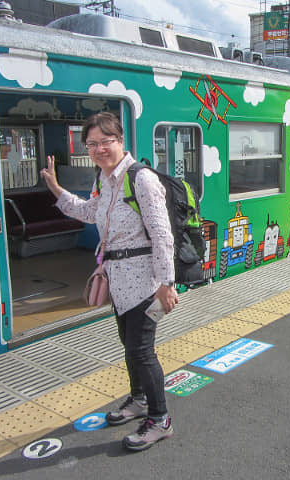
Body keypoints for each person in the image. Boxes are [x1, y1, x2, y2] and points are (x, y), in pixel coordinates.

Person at [40, 112, 178, 452]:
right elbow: (90, 213)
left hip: (145, 283)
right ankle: (139, 400)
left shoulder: (140, 179)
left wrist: (166, 282)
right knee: (129, 347)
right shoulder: (105, 180)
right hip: (119, 284)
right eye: (92, 143)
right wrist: (57, 189)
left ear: (120, 141)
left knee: (141, 351)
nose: (100, 149)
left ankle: (160, 420)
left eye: (106, 141)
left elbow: (162, 234)